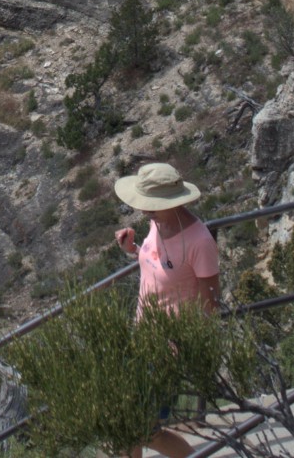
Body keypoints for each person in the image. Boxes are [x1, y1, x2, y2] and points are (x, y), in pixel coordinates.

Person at [114, 161, 221, 458]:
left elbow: (210, 305)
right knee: (124, 422)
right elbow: (160, 268)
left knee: (144, 428)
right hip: (142, 336)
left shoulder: (199, 242)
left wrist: (182, 345)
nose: (144, 210)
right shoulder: (158, 221)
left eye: (151, 205)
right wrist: (133, 251)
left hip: (168, 348)